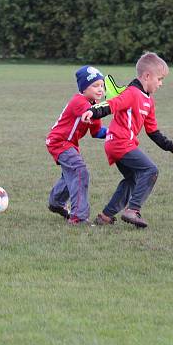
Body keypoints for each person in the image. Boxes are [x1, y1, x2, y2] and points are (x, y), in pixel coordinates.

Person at [82, 52, 173, 228]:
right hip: (120, 142)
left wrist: (172, 146)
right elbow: (111, 104)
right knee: (150, 170)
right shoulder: (132, 93)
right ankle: (132, 210)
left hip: (120, 143)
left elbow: (153, 132)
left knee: (132, 179)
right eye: (159, 79)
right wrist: (93, 111)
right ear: (147, 76)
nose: (161, 84)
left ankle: (106, 216)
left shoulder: (148, 101)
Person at [45, 66, 108, 225]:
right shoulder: (80, 101)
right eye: (95, 85)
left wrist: (117, 132)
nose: (100, 89)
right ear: (83, 88)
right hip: (59, 142)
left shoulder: (94, 106)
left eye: (101, 85)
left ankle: (56, 202)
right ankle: (78, 217)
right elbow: (90, 112)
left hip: (68, 144)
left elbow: (97, 132)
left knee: (71, 174)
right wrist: (114, 106)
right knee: (80, 171)